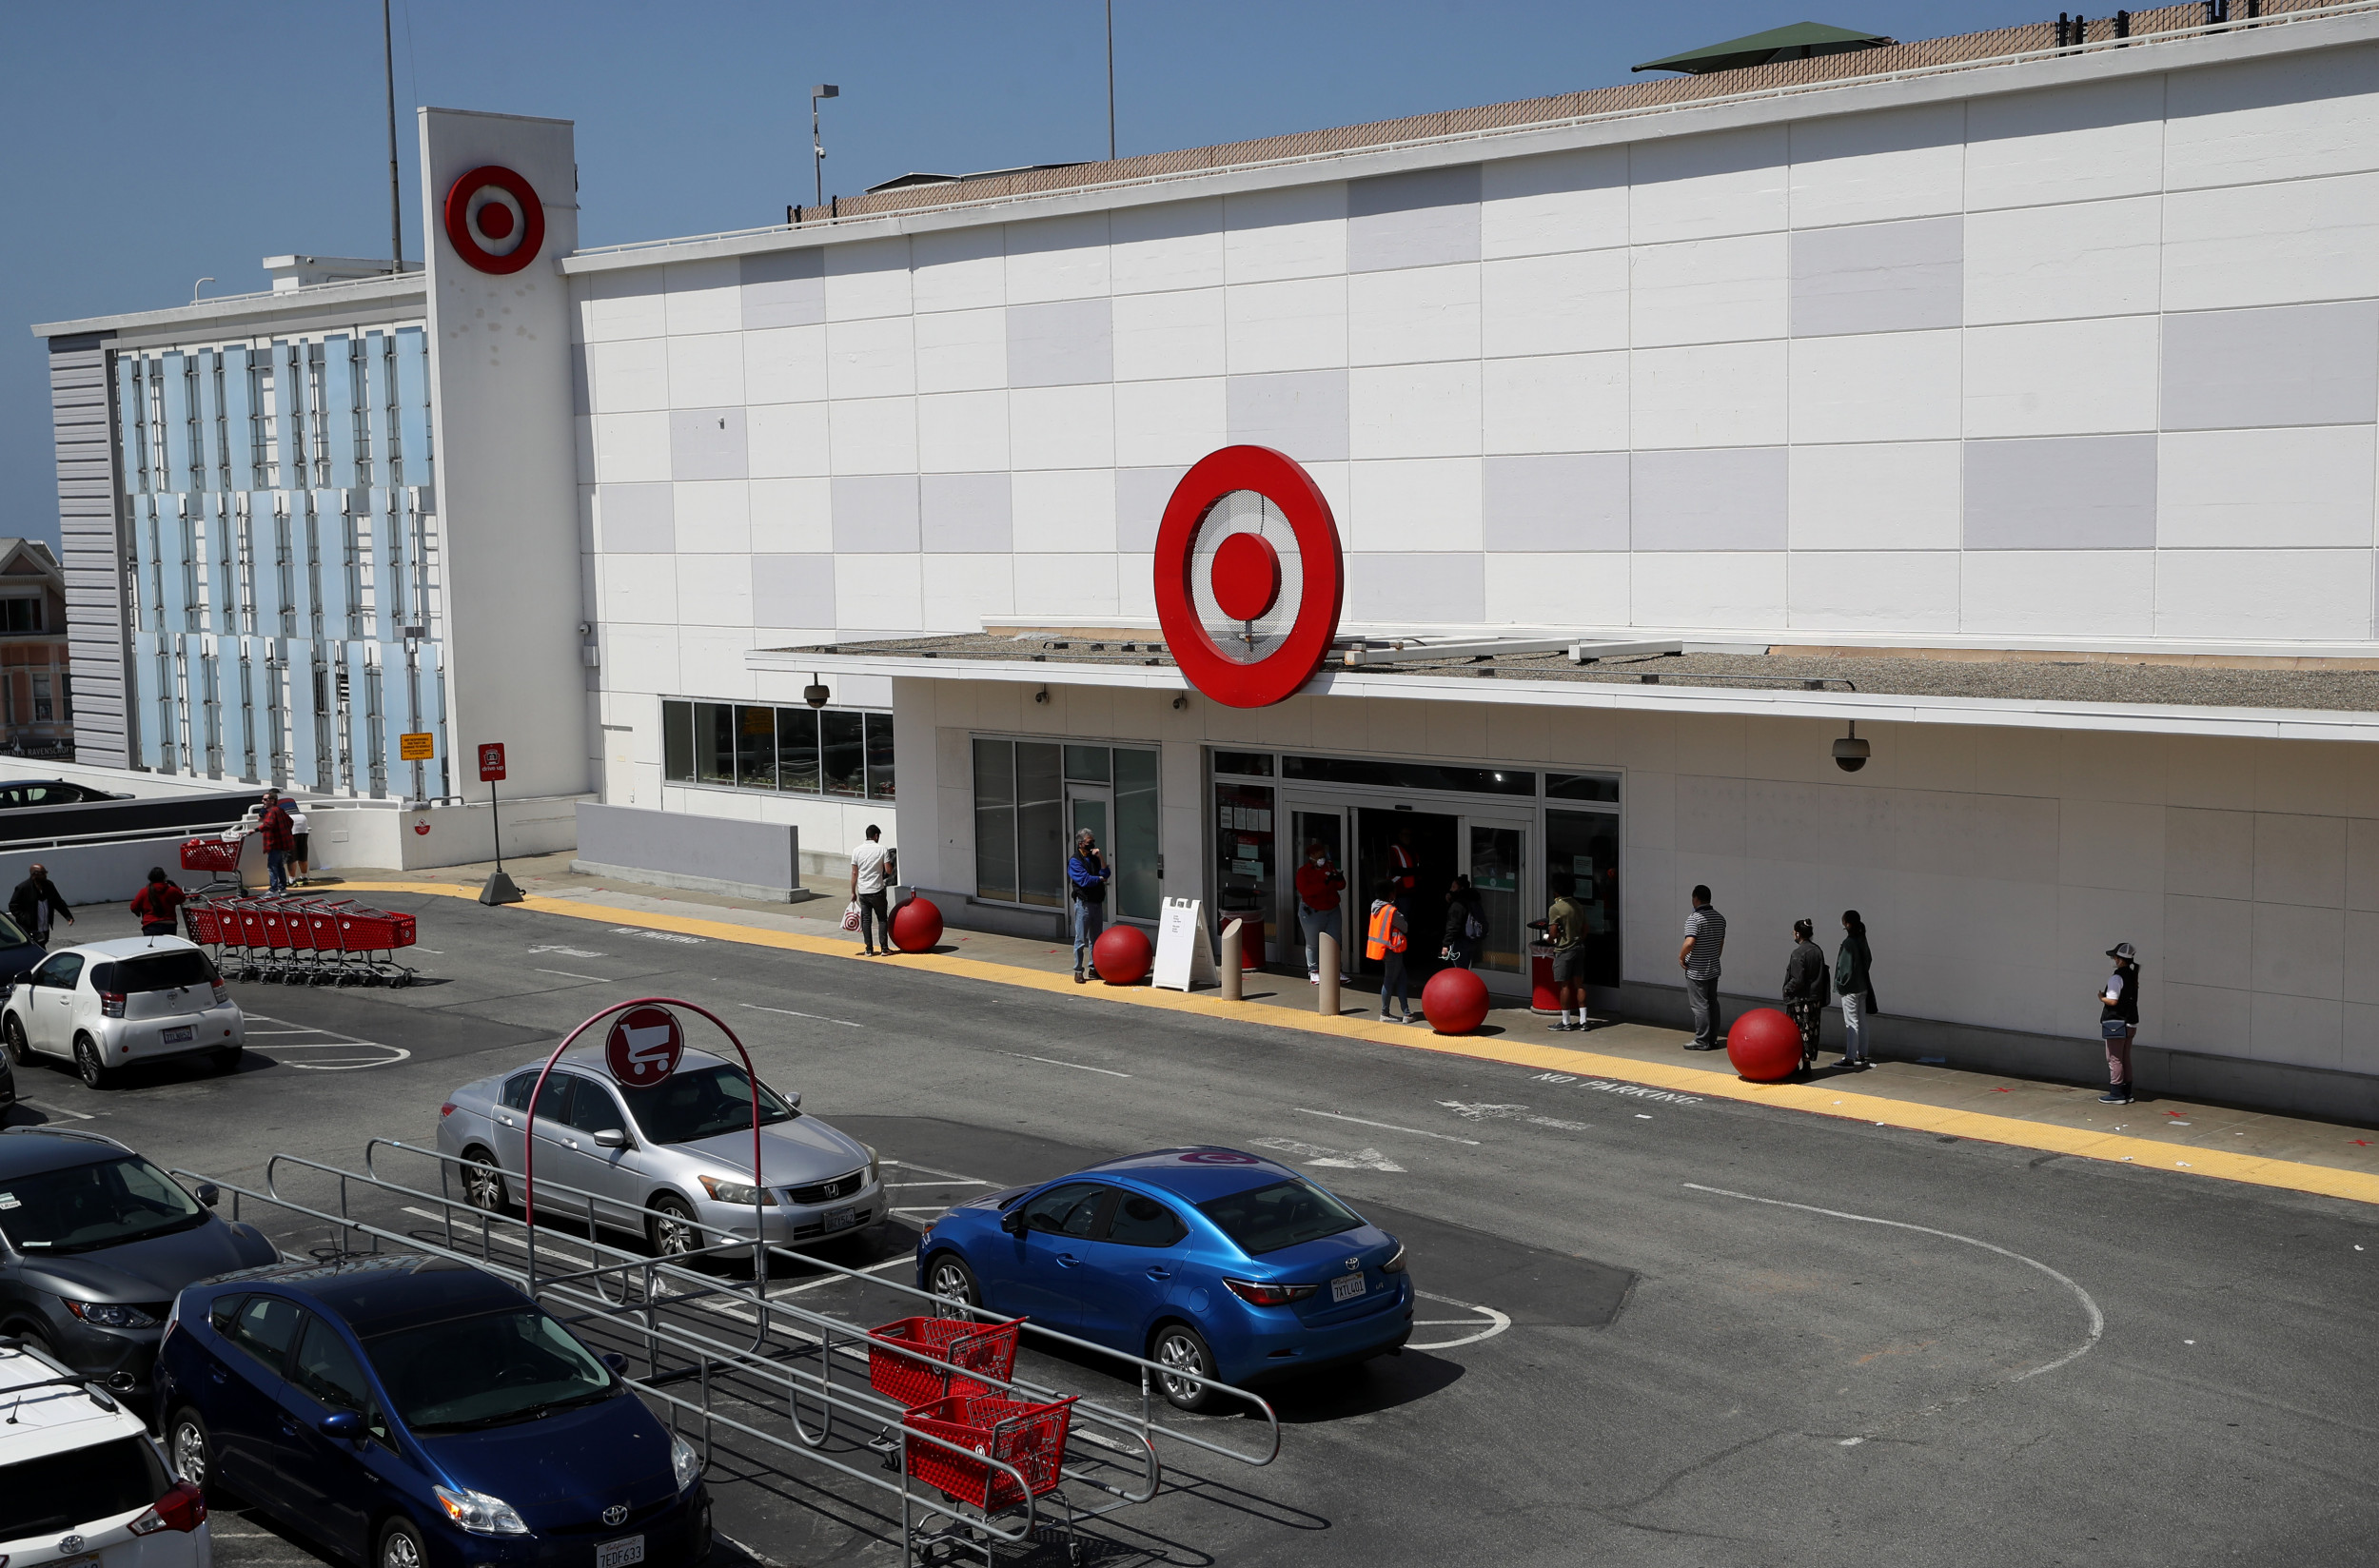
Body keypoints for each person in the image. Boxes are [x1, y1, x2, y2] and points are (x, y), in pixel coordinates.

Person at [1679, 885, 1726, 1050]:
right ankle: (1712, 1039)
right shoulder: (1720, 918)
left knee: (1700, 1006)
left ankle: (1701, 1040)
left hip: (1697, 970)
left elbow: (1690, 942)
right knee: (1712, 1003)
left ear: (1696, 898)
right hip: (1713, 967)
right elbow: (1720, 945)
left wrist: (1681, 956)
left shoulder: (1694, 918)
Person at [1294, 840, 1347, 985]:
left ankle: (1336, 970)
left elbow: (1341, 886)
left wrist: (1339, 878)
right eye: (1319, 855)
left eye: (1324, 855)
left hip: (1332, 910)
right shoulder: (1303, 872)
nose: (1323, 858)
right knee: (1313, 943)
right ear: (1311, 856)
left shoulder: (1329, 866)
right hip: (1312, 912)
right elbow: (1306, 891)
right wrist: (1325, 882)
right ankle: (1314, 971)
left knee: (1335, 941)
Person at [1539, 875, 1587, 1030]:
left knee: (1565, 986)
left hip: (1564, 950)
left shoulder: (1556, 908)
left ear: (1556, 891)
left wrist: (1549, 939)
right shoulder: (1578, 905)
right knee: (1579, 984)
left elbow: (1552, 933)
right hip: (1579, 947)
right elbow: (1586, 929)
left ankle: (1566, 1022)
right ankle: (1584, 1021)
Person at [1366, 877, 1415, 1024]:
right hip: (1393, 950)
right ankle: (1385, 1013)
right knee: (1390, 980)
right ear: (1390, 894)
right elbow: (1404, 927)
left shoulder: (1375, 907)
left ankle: (1406, 1012)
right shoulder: (1391, 911)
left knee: (1401, 978)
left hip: (1383, 949)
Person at [2098, 941, 2141, 1105]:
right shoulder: (2132, 975)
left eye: (2114, 957)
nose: (2113, 959)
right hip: (2131, 1023)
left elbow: (2113, 1001)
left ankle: (2116, 1093)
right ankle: (2127, 1092)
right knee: (2125, 1058)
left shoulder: (2117, 977)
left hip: (2117, 1024)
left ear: (2120, 959)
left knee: (2114, 1059)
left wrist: (2101, 998)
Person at [1782, 918, 1829, 1070]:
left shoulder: (1798, 953)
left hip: (1799, 1000)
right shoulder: (1817, 950)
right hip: (1814, 999)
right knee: (1810, 1032)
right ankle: (1807, 1064)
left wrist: (1787, 989)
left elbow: (1797, 979)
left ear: (1797, 933)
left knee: (1795, 1032)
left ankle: (1793, 1063)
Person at [1067, 828, 1111, 983]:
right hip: (1083, 904)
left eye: (1093, 841)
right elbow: (1085, 880)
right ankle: (1078, 970)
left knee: (1096, 938)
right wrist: (1100, 879)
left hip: (1097, 903)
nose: (1092, 844)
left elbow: (1107, 873)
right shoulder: (1075, 861)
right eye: (1089, 841)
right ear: (1081, 843)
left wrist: (1101, 857)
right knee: (1081, 939)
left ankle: (1094, 968)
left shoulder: (1094, 857)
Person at [1837, 910, 1878, 1068]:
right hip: (1863, 985)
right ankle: (1861, 1054)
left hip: (1851, 988)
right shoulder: (1862, 938)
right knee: (1861, 1021)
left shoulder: (1849, 942)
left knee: (1851, 1023)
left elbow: (1845, 969)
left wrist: (1841, 984)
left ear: (1847, 923)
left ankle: (1849, 1058)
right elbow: (1868, 959)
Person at [849, 825, 893, 955]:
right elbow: (888, 870)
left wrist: (852, 892)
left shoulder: (856, 851)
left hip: (863, 891)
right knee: (882, 919)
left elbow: (854, 873)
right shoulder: (882, 849)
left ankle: (869, 949)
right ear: (876, 836)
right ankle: (884, 948)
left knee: (866, 920)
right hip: (877, 890)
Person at [9, 863, 73, 948]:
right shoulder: (23, 888)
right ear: (35, 875)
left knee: (43, 943)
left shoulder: (49, 885)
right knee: (35, 947)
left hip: (44, 925)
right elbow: (13, 906)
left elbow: (58, 902)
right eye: (43, 873)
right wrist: (25, 918)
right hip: (31, 927)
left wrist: (68, 916)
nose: (45, 875)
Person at [1439, 873, 1482, 971]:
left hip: (1460, 942)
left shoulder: (1458, 904)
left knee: (1460, 972)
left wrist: (1446, 945)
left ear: (1460, 888)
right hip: (1472, 939)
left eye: (1453, 887)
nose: (1451, 889)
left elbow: (1453, 925)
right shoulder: (1473, 900)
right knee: (1465, 969)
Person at [258, 787, 296, 894]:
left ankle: (273, 889)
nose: (263, 801)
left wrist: (255, 829)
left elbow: (267, 824)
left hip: (274, 843)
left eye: (265, 800)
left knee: (272, 866)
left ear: (272, 800)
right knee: (279, 866)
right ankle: (282, 888)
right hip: (281, 843)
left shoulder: (272, 812)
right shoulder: (279, 810)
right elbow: (290, 821)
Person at [130, 867, 187, 937]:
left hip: (150, 925)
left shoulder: (144, 891)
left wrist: (139, 913)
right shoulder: (171, 890)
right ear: (164, 877)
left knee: (153, 947)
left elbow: (134, 907)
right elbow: (182, 898)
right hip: (169, 924)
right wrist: (175, 886)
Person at [288, 800, 312, 886]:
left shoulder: (272, 799)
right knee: (302, 853)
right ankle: (304, 877)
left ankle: (292, 880)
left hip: (291, 820)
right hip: (302, 820)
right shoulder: (290, 799)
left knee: (291, 856)